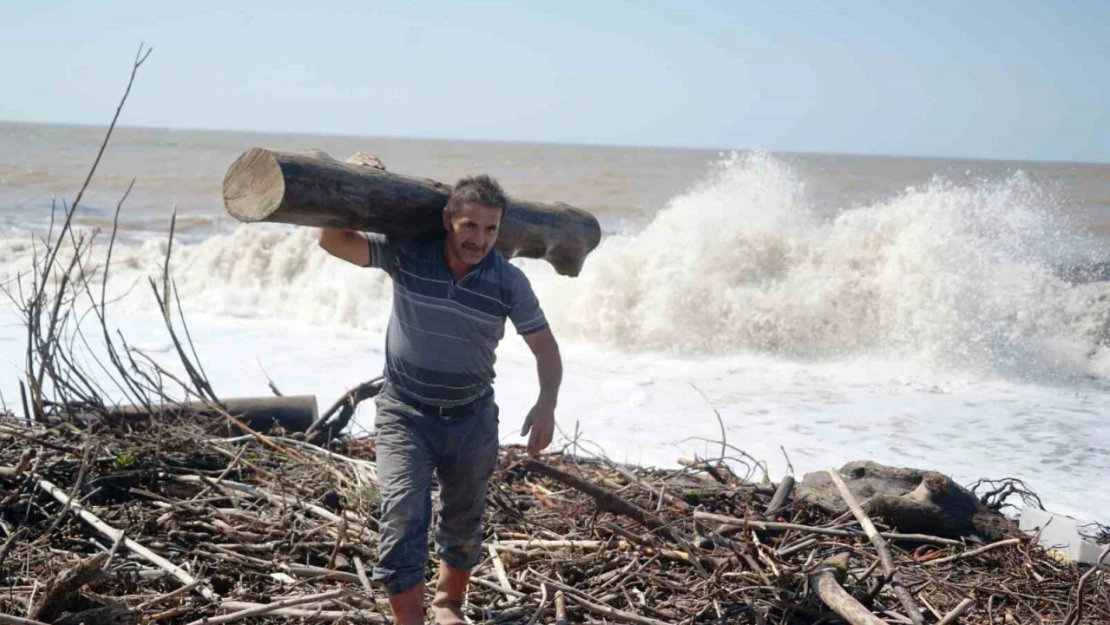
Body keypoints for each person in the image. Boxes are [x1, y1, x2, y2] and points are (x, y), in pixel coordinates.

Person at [318, 174, 562, 625]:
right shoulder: (409, 254)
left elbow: (545, 347)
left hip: (471, 418)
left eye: (491, 230)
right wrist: (349, 172)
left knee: (464, 517)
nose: (480, 240)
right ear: (448, 220)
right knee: (401, 512)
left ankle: (447, 604)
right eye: (470, 226)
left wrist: (546, 402)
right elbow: (334, 240)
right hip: (404, 414)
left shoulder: (507, 282)